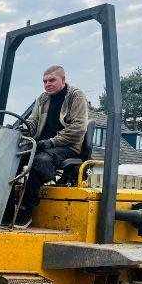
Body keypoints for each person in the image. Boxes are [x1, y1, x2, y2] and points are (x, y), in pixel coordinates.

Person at [6, 65, 88, 228]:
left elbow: (79, 127)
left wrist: (52, 142)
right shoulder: (42, 99)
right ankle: (6, 211)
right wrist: (19, 129)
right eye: (45, 81)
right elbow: (33, 122)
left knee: (40, 161)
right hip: (42, 145)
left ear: (63, 80)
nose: (47, 84)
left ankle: (25, 209)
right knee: (10, 160)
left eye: (52, 80)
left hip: (67, 146)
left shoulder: (75, 96)